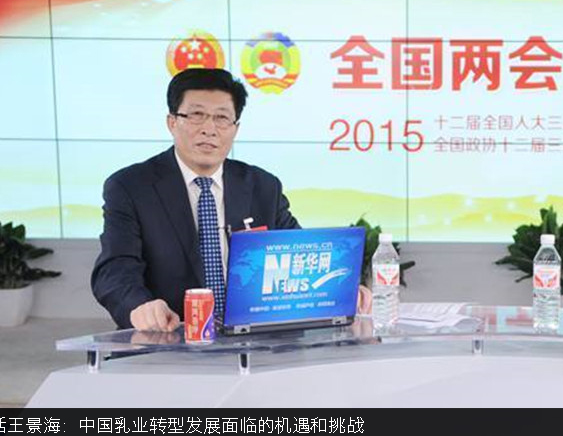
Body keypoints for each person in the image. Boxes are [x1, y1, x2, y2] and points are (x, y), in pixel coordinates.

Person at [92, 68, 370, 331]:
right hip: (169, 339)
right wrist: (139, 306)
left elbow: (298, 255)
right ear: (172, 122)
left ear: (235, 128)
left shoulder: (263, 186)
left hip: (253, 341)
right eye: (197, 115)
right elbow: (115, 269)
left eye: (222, 118)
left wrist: (341, 291)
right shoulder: (131, 187)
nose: (209, 129)